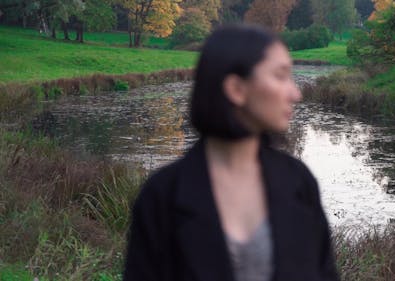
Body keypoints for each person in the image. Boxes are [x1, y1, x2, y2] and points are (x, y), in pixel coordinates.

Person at [123, 24, 340, 281]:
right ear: (236, 89)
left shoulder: (299, 182)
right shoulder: (161, 196)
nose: (296, 93)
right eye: (280, 76)